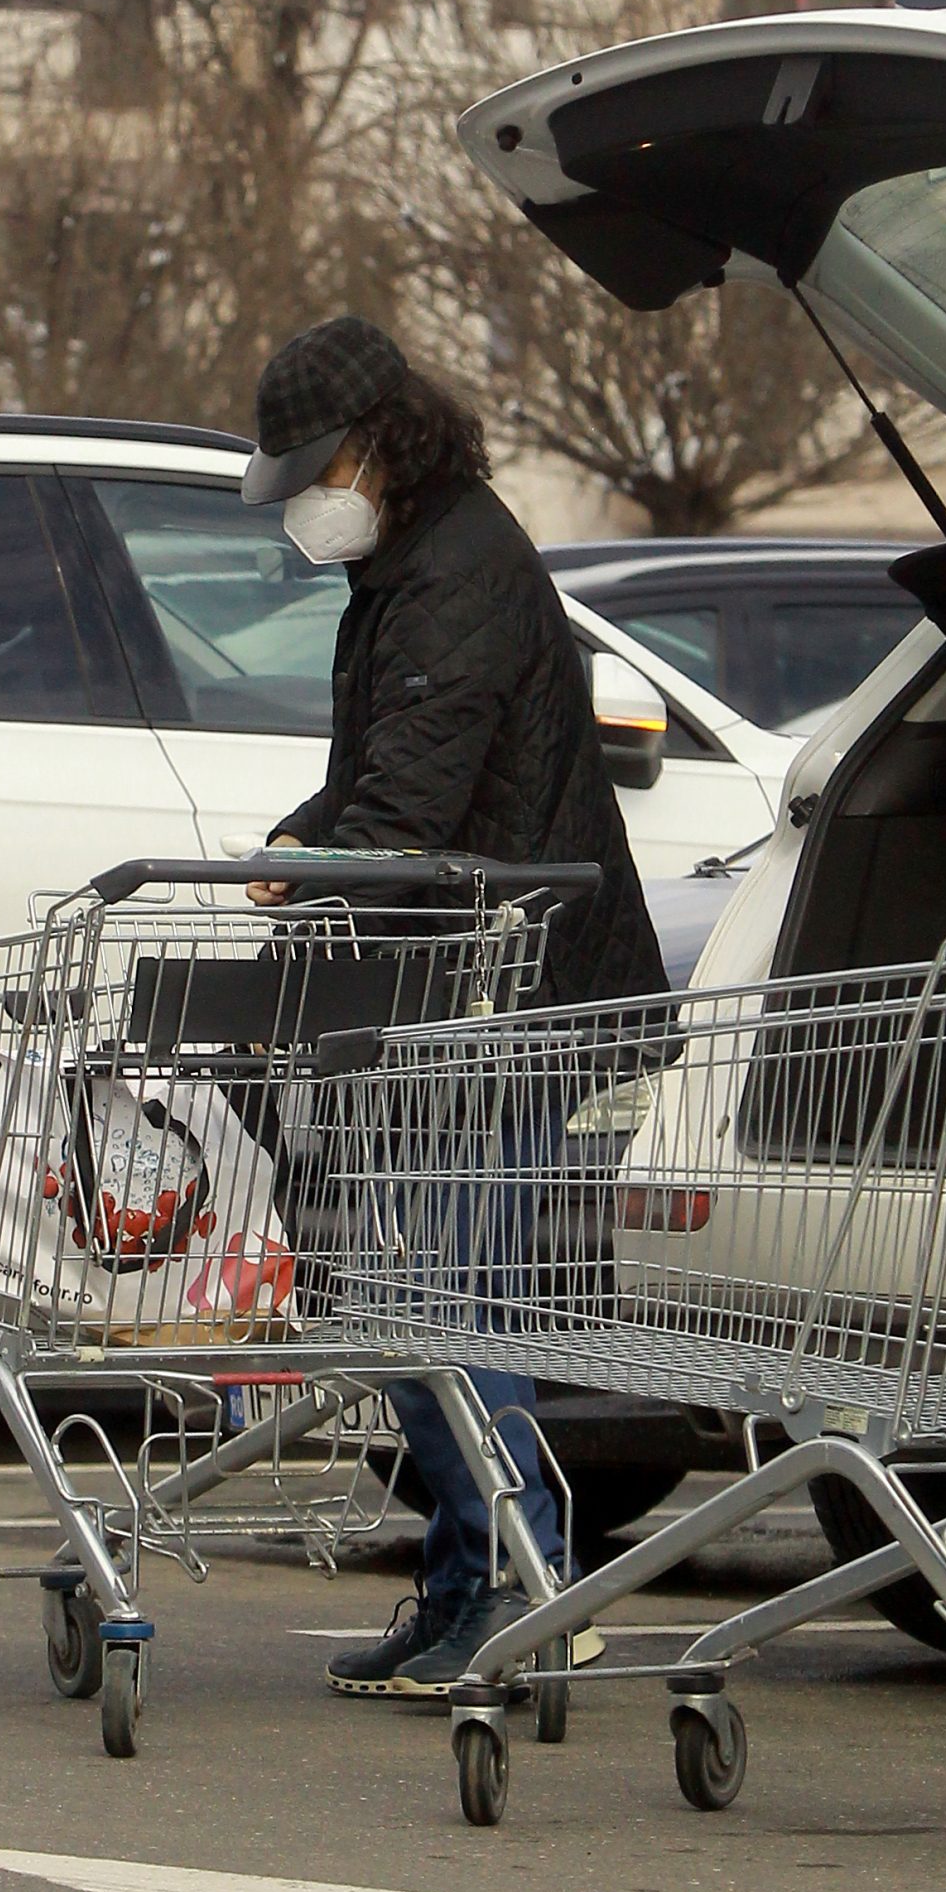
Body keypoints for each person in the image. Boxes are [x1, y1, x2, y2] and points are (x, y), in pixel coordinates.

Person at [239, 313, 669, 1700]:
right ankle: (466, 1582)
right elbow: (390, 770)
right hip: (465, 985)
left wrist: (318, 870)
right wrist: (303, 841)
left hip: (516, 991)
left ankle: (530, 1589)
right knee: (416, 1300)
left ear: (381, 444)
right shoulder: (415, 565)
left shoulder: (455, 574)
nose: (309, 500)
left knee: (451, 1303)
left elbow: (412, 806)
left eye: (320, 468)